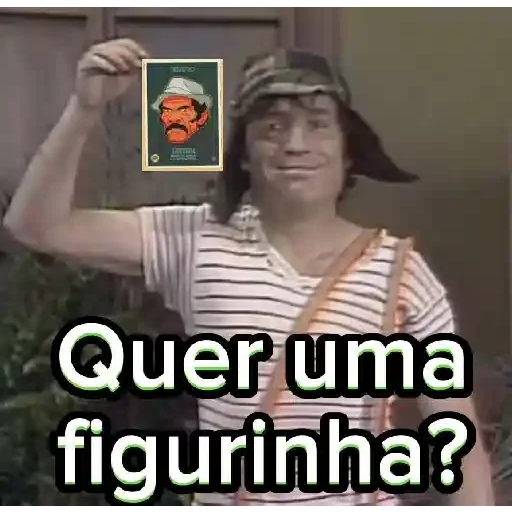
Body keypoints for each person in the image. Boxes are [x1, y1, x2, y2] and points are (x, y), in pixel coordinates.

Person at [3, 38, 494, 506]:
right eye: (272, 127)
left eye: (318, 124)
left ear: (349, 153)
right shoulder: (193, 238)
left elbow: (456, 439)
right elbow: (36, 225)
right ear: (243, 153)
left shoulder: (400, 271)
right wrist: (84, 110)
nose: (295, 144)